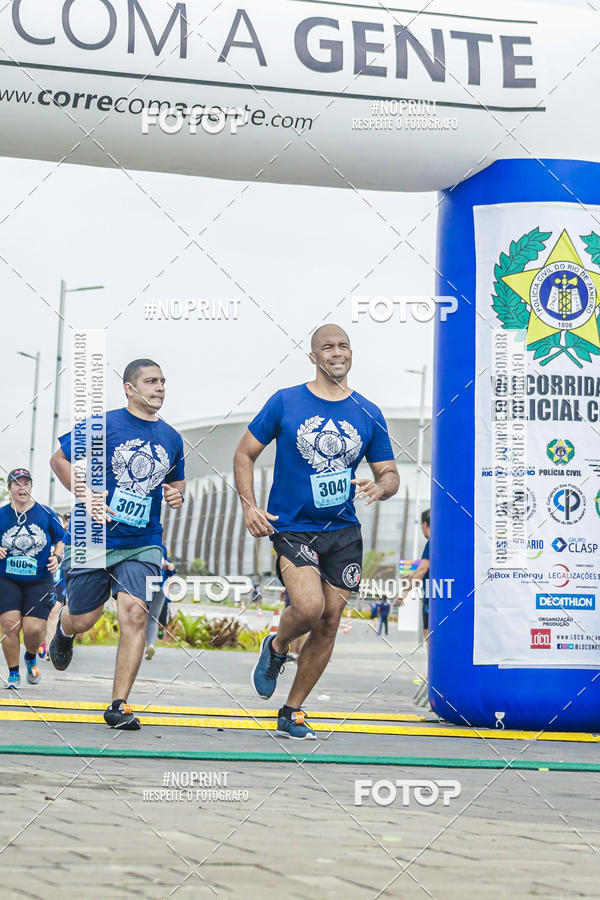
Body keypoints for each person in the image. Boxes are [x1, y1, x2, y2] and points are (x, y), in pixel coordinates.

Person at [234, 323, 399, 739]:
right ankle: (275, 648)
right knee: (308, 608)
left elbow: (390, 474)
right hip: (293, 526)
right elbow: (244, 453)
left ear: (351, 353)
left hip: (343, 530)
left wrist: (379, 487)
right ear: (313, 356)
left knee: (329, 620)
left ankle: (293, 709)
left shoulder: (368, 412)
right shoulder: (286, 402)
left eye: (343, 345)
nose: (337, 352)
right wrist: (249, 506)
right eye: (327, 347)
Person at [48, 359, 185, 730]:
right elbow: (58, 459)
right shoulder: (105, 424)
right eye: (151, 381)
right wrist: (86, 494)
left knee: (135, 613)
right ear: (129, 387)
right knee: (85, 618)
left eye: (163, 381)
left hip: (143, 541)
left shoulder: (171, 438)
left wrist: (175, 496)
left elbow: (176, 484)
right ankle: (64, 629)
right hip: (94, 536)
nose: (160, 388)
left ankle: (119, 704)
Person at [0, 468, 66, 688]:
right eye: (17, 484)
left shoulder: (45, 513)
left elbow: (61, 538)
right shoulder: (1, 515)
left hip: (39, 580)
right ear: (10, 489)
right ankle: (13, 673)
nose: (22, 487)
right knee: (10, 624)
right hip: (7, 578)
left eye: (26, 483)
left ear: (31, 487)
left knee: (34, 629)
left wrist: (57, 556)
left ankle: (30, 657)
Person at [40, 512, 70, 660]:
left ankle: (50, 648)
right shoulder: (43, 537)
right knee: (40, 616)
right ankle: (42, 642)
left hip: (60, 582)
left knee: (54, 612)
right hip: (42, 581)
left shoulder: (67, 538)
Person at [399, 509, 430, 638]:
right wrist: (413, 574)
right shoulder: (442, 542)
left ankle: (434, 659)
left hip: (432, 597)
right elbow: (424, 568)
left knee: (429, 633)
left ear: (424, 524)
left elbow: (423, 570)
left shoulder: (431, 543)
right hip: (442, 593)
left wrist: (405, 592)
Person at [145, 543, 175, 659]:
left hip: (145, 585)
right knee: (153, 618)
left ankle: (137, 643)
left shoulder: (142, 544)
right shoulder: (162, 549)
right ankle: (151, 644)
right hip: (161, 587)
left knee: (139, 616)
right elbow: (172, 575)